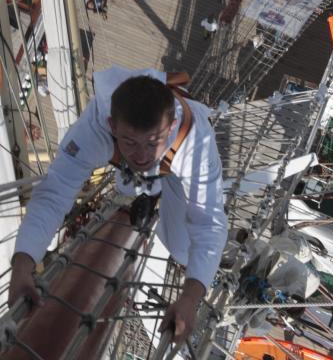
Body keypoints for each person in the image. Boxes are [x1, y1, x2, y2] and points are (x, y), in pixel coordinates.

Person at [8, 66, 228, 345]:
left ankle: (153, 184)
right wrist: (23, 264)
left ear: (171, 128)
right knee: (131, 178)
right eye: (130, 141)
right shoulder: (92, 130)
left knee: (183, 251)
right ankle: (142, 182)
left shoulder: (196, 142)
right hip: (126, 156)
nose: (142, 155)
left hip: (174, 170)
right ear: (112, 126)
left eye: (152, 142)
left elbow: (208, 221)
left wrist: (191, 297)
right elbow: (55, 192)